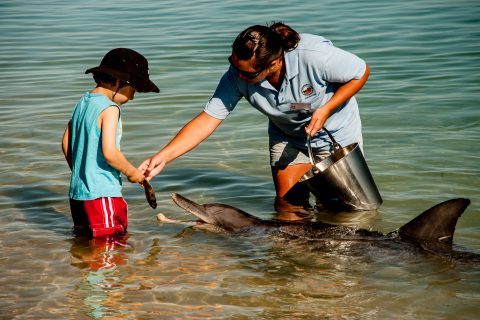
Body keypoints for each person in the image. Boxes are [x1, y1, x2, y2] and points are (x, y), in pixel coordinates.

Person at [140, 22, 370, 213]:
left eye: (247, 73)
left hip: (335, 135)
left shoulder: (314, 56)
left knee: (340, 208)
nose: (238, 75)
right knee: (288, 206)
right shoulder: (236, 76)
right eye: (233, 65)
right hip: (287, 136)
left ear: (274, 63)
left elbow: (360, 72)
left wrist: (327, 108)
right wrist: (163, 157)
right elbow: (208, 119)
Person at [62, 48, 160, 238]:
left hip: (78, 195)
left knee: (86, 247)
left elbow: (65, 142)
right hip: (102, 195)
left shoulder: (82, 102)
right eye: (133, 90)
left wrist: (82, 174)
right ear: (117, 81)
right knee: (110, 247)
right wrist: (135, 175)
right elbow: (110, 153)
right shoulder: (110, 108)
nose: (132, 97)